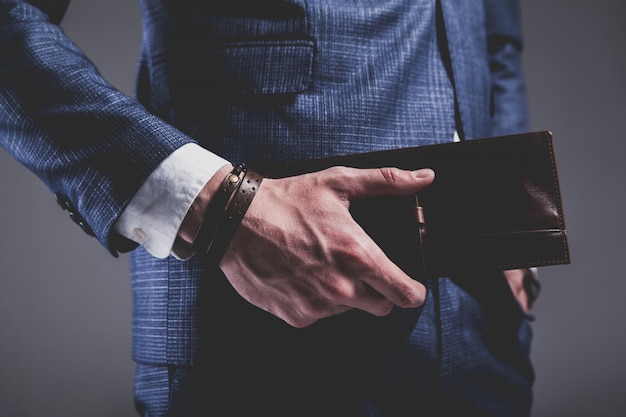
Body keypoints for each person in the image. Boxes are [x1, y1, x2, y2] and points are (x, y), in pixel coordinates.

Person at [0, 0, 539, 416]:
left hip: (483, 329)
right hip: (254, 334)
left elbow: (496, 41)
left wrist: (518, 229)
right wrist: (219, 209)